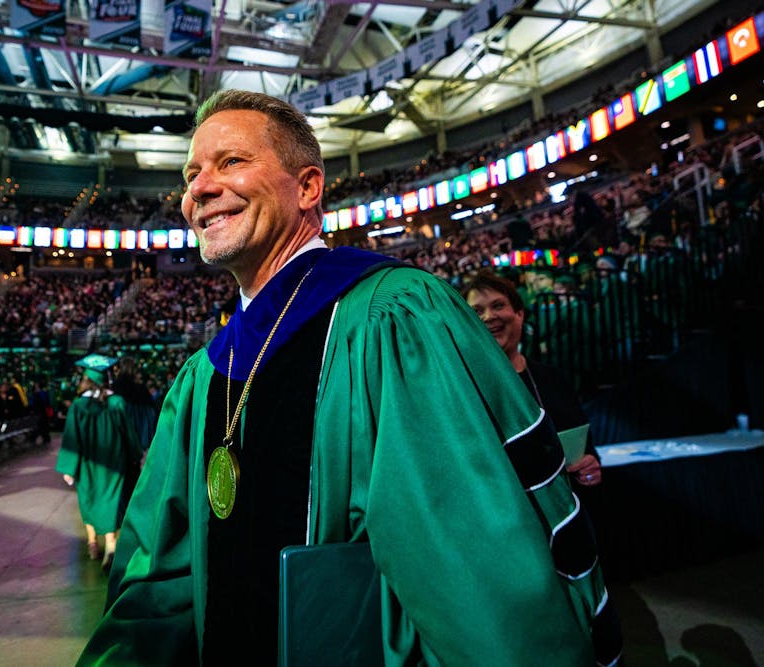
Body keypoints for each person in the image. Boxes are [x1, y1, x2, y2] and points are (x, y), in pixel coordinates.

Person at [80, 91, 621, 666]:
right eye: (192, 174)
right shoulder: (201, 378)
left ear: (308, 187)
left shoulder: (394, 318)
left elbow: (469, 573)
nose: (199, 189)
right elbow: (158, 575)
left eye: (231, 162)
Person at [462, 270, 603, 487]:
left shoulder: (553, 378)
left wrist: (589, 463)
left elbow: (583, 444)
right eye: (477, 311)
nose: (489, 317)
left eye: (498, 306)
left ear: (519, 314)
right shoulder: (464, 389)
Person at [56, 355, 141, 569]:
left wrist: (69, 467)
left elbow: (71, 438)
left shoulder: (78, 406)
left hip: (87, 464)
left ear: (86, 380)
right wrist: (134, 456)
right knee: (111, 501)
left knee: (89, 500)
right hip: (115, 462)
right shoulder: (117, 402)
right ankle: (111, 545)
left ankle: (93, 542)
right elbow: (129, 435)